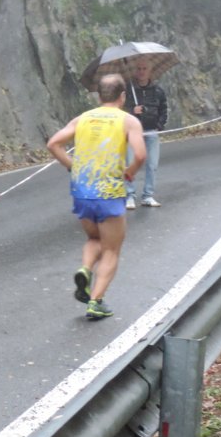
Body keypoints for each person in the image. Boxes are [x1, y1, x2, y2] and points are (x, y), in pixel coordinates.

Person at [47, 74, 146, 319]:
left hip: (82, 191)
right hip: (109, 192)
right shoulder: (128, 121)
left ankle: (85, 268)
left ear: (99, 96)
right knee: (111, 249)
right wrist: (130, 172)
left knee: (94, 238)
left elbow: (53, 144)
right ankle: (96, 301)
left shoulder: (82, 118)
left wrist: (72, 166)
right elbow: (140, 155)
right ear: (122, 96)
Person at [123, 60, 168, 209]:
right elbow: (120, 110)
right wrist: (132, 111)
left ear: (150, 71)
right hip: (132, 133)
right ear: (135, 71)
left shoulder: (158, 91)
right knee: (130, 164)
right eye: (139, 68)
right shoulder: (128, 90)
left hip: (151, 131)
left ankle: (148, 196)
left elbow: (164, 110)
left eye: (144, 68)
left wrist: (159, 125)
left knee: (152, 165)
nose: (141, 71)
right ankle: (130, 196)